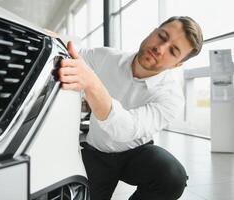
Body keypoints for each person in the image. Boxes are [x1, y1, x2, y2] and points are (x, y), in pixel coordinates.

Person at [58, 16, 203, 200]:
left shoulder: (172, 97)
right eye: (162, 36)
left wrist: (92, 84)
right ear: (153, 31)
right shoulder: (107, 57)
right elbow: (71, 51)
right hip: (97, 152)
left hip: (136, 154)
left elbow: (124, 129)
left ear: (177, 64)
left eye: (173, 51)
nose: (160, 48)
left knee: (171, 176)